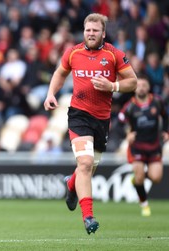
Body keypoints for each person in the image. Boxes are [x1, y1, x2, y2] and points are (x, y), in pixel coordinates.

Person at [43, 13, 137, 234]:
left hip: (102, 119)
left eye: (95, 30)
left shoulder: (114, 55)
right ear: (83, 31)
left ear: (103, 33)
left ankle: (71, 184)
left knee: (88, 168)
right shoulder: (73, 52)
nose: (91, 34)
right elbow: (60, 73)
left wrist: (112, 86)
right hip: (79, 115)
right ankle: (88, 217)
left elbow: (132, 81)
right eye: (88, 30)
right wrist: (50, 94)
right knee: (85, 164)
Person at [118, 76, 168, 217]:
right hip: (137, 147)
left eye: (144, 85)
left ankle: (137, 178)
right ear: (135, 88)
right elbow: (121, 121)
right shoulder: (130, 106)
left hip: (154, 145)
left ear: (148, 87)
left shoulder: (157, 101)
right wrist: (127, 133)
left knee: (156, 177)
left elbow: (165, 116)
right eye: (138, 85)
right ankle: (144, 204)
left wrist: (165, 131)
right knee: (139, 178)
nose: (141, 87)